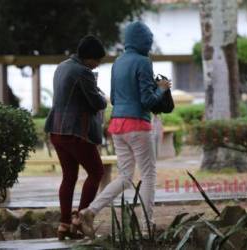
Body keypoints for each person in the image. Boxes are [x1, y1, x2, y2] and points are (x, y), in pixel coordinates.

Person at [79, 21, 171, 236]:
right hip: (138, 125)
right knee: (148, 175)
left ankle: (91, 211)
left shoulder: (117, 63)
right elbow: (147, 100)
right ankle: (148, 226)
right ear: (145, 41)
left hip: (117, 125)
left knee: (125, 177)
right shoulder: (143, 61)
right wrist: (162, 89)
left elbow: (113, 97)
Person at [44, 35, 107, 240]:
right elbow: (97, 103)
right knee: (96, 172)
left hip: (56, 130)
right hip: (75, 132)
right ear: (89, 57)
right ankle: (79, 221)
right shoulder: (83, 72)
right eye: (97, 60)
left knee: (69, 177)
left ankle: (64, 224)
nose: (97, 65)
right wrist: (102, 96)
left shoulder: (62, 66)